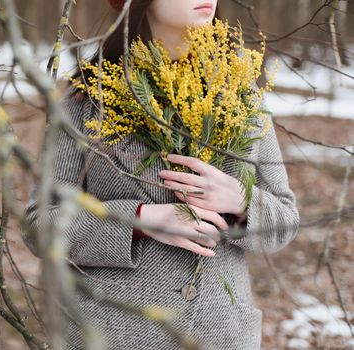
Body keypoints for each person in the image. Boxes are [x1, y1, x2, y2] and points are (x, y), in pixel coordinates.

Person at [22, 0, 300, 349]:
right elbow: (40, 224)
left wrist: (241, 201)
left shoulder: (241, 92)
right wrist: (141, 219)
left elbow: (285, 221)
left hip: (223, 336)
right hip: (117, 335)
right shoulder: (90, 100)